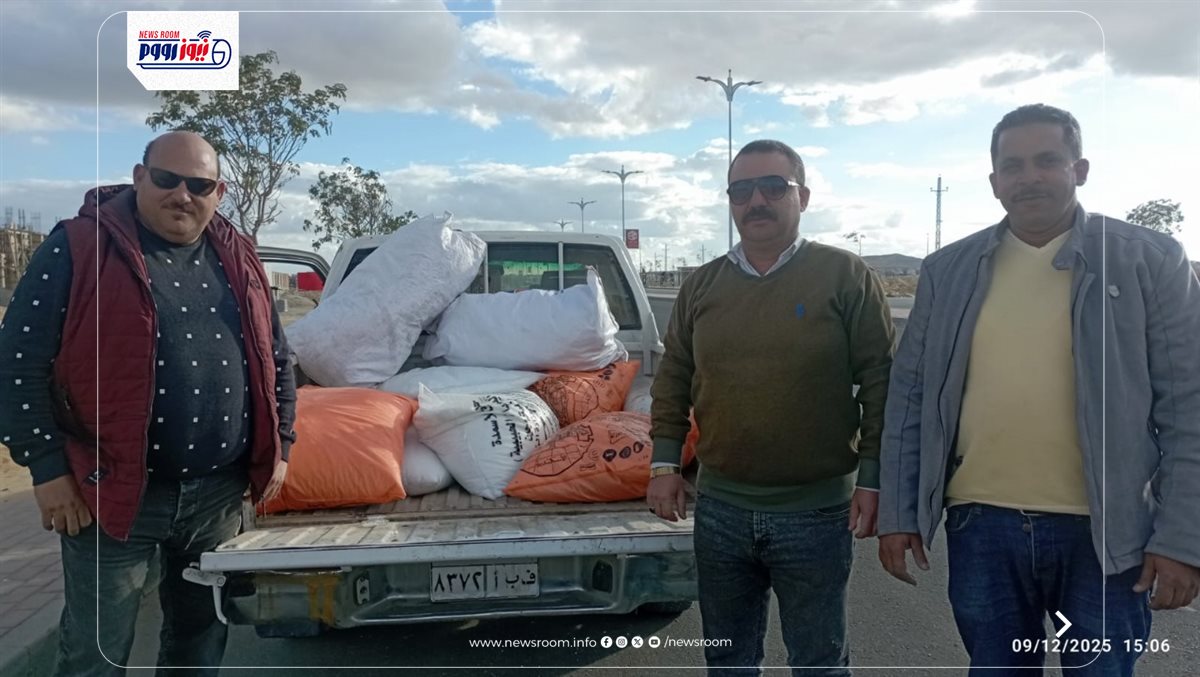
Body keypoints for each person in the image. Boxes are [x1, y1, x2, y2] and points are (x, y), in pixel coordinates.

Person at [877, 104, 1200, 676]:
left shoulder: (1148, 260)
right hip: (982, 526)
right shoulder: (948, 271)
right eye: (1013, 165)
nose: (1029, 177)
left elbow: (1189, 408)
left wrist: (1181, 540)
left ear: (1080, 169)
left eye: (1047, 161)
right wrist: (899, 512)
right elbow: (910, 399)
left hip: (1106, 535)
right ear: (995, 181)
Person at [0, 130, 297, 676]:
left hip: (217, 497)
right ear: (139, 178)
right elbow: (17, 364)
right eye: (166, 179)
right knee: (95, 653)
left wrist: (281, 442)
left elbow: (273, 354)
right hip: (109, 492)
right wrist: (46, 469)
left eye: (199, 185)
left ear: (218, 193)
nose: (182, 194)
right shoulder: (78, 247)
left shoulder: (238, 254)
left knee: (198, 644)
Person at [648, 139, 894, 675]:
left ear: (802, 196)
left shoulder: (846, 276)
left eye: (772, 186)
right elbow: (673, 379)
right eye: (741, 190)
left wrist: (874, 480)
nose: (755, 200)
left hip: (817, 515)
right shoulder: (702, 285)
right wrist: (664, 465)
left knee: (819, 662)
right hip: (720, 511)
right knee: (728, 661)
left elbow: (881, 384)